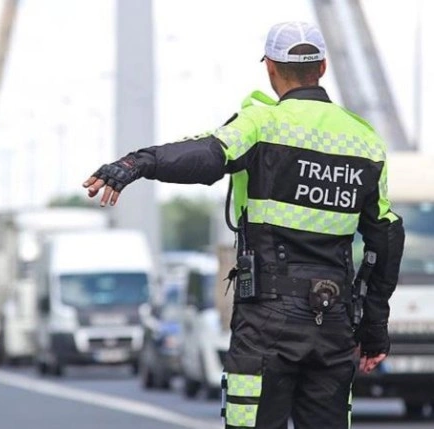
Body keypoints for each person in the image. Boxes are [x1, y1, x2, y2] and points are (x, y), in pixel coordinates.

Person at [82, 21, 404, 429]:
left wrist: (136, 163)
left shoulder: (261, 124)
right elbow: (387, 238)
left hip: (267, 322)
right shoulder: (366, 142)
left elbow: (205, 155)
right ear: (322, 67)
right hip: (334, 322)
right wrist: (373, 329)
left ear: (270, 67)